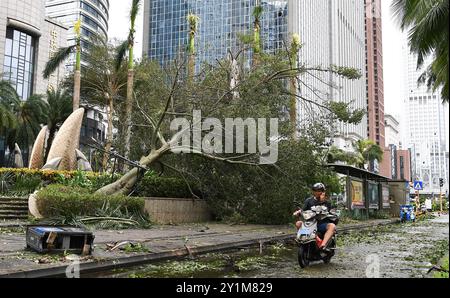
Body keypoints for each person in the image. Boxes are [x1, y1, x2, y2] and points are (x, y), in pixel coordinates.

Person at [293, 183, 337, 250]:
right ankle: (303, 239)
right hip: (310, 224)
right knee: (298, 223)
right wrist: (298, 212)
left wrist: (322, 201)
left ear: (323, 192)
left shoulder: (327, 202)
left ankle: (323, 245)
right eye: (315, 190)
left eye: (319, 191)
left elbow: (329, 211)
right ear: (313, 191)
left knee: (332, 226)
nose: (317, 192)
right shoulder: (308, 201)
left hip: (321, 224)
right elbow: (302, 210)